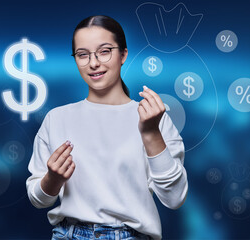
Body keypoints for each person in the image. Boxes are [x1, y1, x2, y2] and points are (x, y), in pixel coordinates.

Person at [26, 15, 188, 240]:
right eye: (83, 54)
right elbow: (38, 199)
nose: (93, 63)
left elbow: (174, 198)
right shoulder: (57, 119)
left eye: (104, 51)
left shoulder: (152, 118)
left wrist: (151, 133)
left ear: (123, 54)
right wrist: (53, 178)